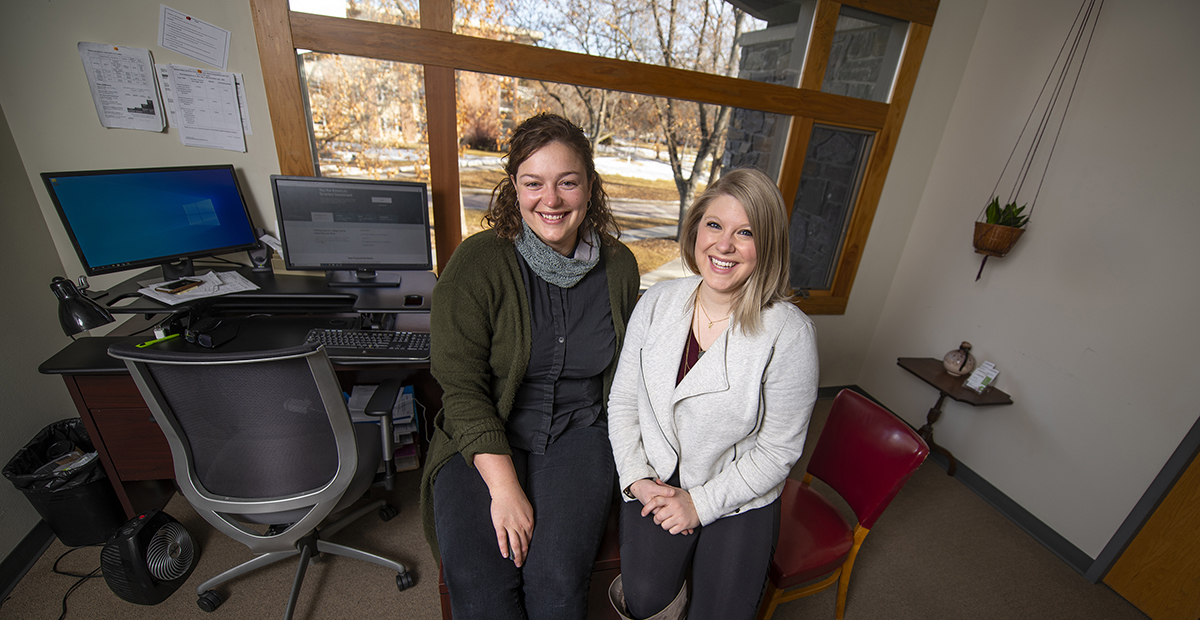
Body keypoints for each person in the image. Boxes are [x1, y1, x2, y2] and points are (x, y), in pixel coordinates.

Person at [419, 113, 640, 620]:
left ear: (589, 186)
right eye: (533, 183)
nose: (552, 199)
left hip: (579, 431)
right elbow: (461, 388)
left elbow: (629, 377)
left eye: (567, 182)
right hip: (483, 430)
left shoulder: (620, 267)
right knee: (481, 586)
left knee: (558, 585)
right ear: (513, 187)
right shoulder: (478, 263)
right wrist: (503, 488)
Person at [607, 168, 819, 620]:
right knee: (644, 599)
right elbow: (623, 402)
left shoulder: (789, 334)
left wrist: (699, 504)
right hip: (657, 479)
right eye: (715, 225)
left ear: (768, 246)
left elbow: (777, 451)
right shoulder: (657, 302)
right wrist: (635, 478)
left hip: (737, 487)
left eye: (745, 233)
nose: (724, 245)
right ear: (696, 228)